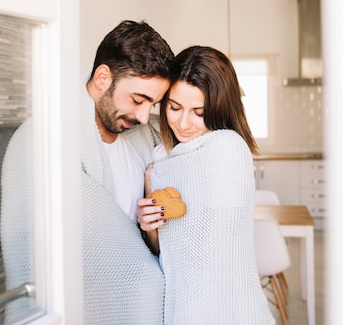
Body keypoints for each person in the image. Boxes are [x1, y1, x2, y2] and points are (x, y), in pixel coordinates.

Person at [137, 46, 275, 325]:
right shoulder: (160, 159)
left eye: (199, 112)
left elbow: (214, 254)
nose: (183, 123)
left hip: (224, 307)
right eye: (174, 107)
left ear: (219, 109)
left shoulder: (228, 150)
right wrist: (149, 226)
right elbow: (167, 250)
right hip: (180, 304)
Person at [81, 20, 174, 325]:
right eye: (138, 99)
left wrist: (152, 233)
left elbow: (152, 245)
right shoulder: (61, 147)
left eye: (154, 104)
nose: (145, 116)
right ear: (103, 77)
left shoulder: (143, 144)